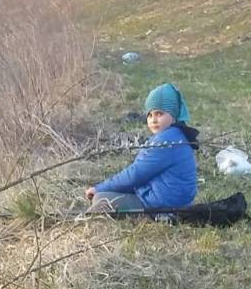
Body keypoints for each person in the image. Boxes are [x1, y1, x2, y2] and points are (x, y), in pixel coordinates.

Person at [84, 83, 199, 214]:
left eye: (159, 114)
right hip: (173, 202)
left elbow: (135, 174)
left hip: (161, 206)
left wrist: (99, 188)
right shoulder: (176, 135)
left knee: (101, 199)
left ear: (173, 117)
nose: (153, 120)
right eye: (150, 115)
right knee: (106, 195)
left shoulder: (166, 141)